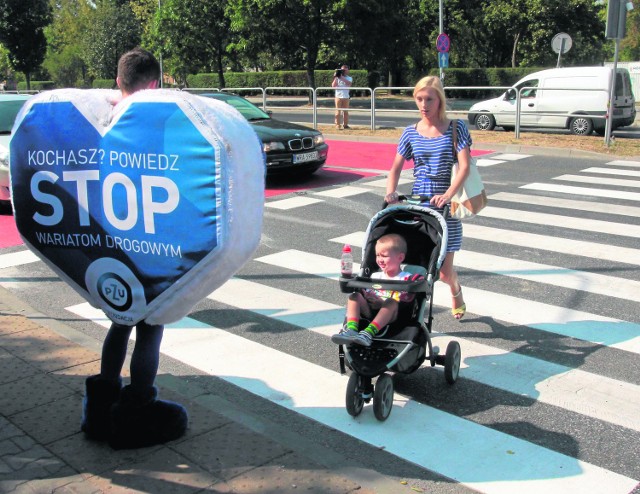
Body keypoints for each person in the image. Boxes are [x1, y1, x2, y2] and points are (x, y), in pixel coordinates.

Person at [81, 47, 188, 450]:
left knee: (119, 318)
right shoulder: (157, 116)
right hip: (150, 235)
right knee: (150, 325)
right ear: (154, 84)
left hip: (109, 234)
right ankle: (135, 413)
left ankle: (99, 409)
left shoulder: (103, 114)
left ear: (117, 79)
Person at [384, 75, 472, 320]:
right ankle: (413, 316)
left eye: (429, 99)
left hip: (446, 206)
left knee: (444, 273)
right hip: (419, 206)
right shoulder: (410, 133)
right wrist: (390, 192)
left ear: (440, 100)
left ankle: (456, 289)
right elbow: (396, 168)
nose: (424, 105)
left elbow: (463, 167)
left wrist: (447, 195)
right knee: (416, 266)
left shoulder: (456, 128)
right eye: (419, 99)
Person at [332, 233, 415, 347]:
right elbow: (366, 291)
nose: (380, 260)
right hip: (371, 310)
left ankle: (368, 333)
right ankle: (351, 330)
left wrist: (381, 302)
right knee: (354, 296)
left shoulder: (407, 277)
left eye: (384, 256)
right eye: (377, 255)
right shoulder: (375, 276)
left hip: (393, 315)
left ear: (400, 258)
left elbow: (408, 295)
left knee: (390, 302)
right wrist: (368, 295)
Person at [331, 64, 352, 129]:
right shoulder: (337, 78)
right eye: (342, 70)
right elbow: (333, 86)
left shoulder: (349, 78)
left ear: (347, 70)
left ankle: (345, 125)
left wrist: (341, 77)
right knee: (338, 111)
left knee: (345, 112)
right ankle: (337, 125)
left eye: (344, 70)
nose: (343, 71)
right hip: (338, 96)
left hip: (346, 96)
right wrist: (335, 77)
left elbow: (348, 83)